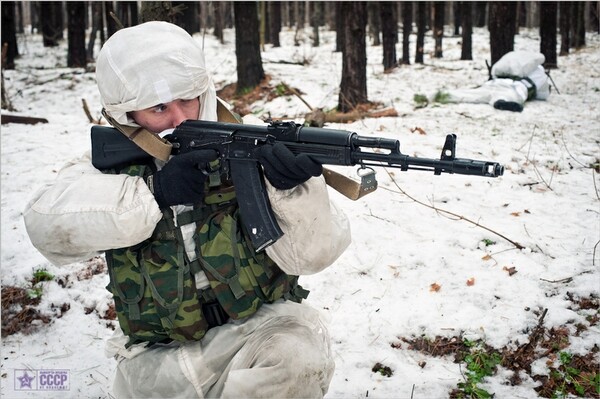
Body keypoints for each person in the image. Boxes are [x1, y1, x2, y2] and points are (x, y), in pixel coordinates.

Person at [24, 21, 351, 398]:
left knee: (298, 358)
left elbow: (315, 255)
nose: (180, 119)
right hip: (157, 358)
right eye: (159, 107)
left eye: (187, 100)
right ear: (128, 114)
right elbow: (44, 224)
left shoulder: (248, 149)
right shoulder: (106, 169)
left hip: (256, 335)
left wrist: (293, 190)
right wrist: (153, 193)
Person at [443, 51, 551, 112]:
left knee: (470, 94)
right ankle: (500, 103)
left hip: (494, 83)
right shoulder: (537, 72)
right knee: (508, 96)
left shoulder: (508, 65)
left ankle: (442, 95)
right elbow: (543, 94)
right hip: (514, 88)